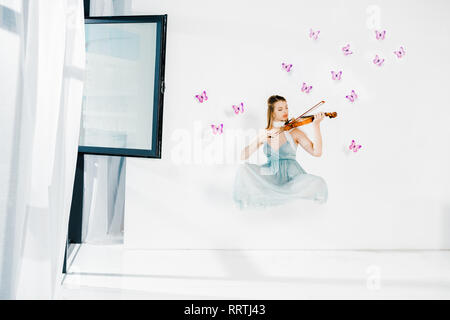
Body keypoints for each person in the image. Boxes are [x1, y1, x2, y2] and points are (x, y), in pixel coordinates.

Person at [232, 95, 328, 209]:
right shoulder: (265, 133)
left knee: (318, 182)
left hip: (292, 176)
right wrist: (259, 140)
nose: (285, 111)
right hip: (271, 173)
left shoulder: (294, 132)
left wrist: (316, 126)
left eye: (286, 107)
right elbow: (243, 156)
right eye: (280, 109)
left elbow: (317, 152)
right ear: (272, 113)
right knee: (243, 169)